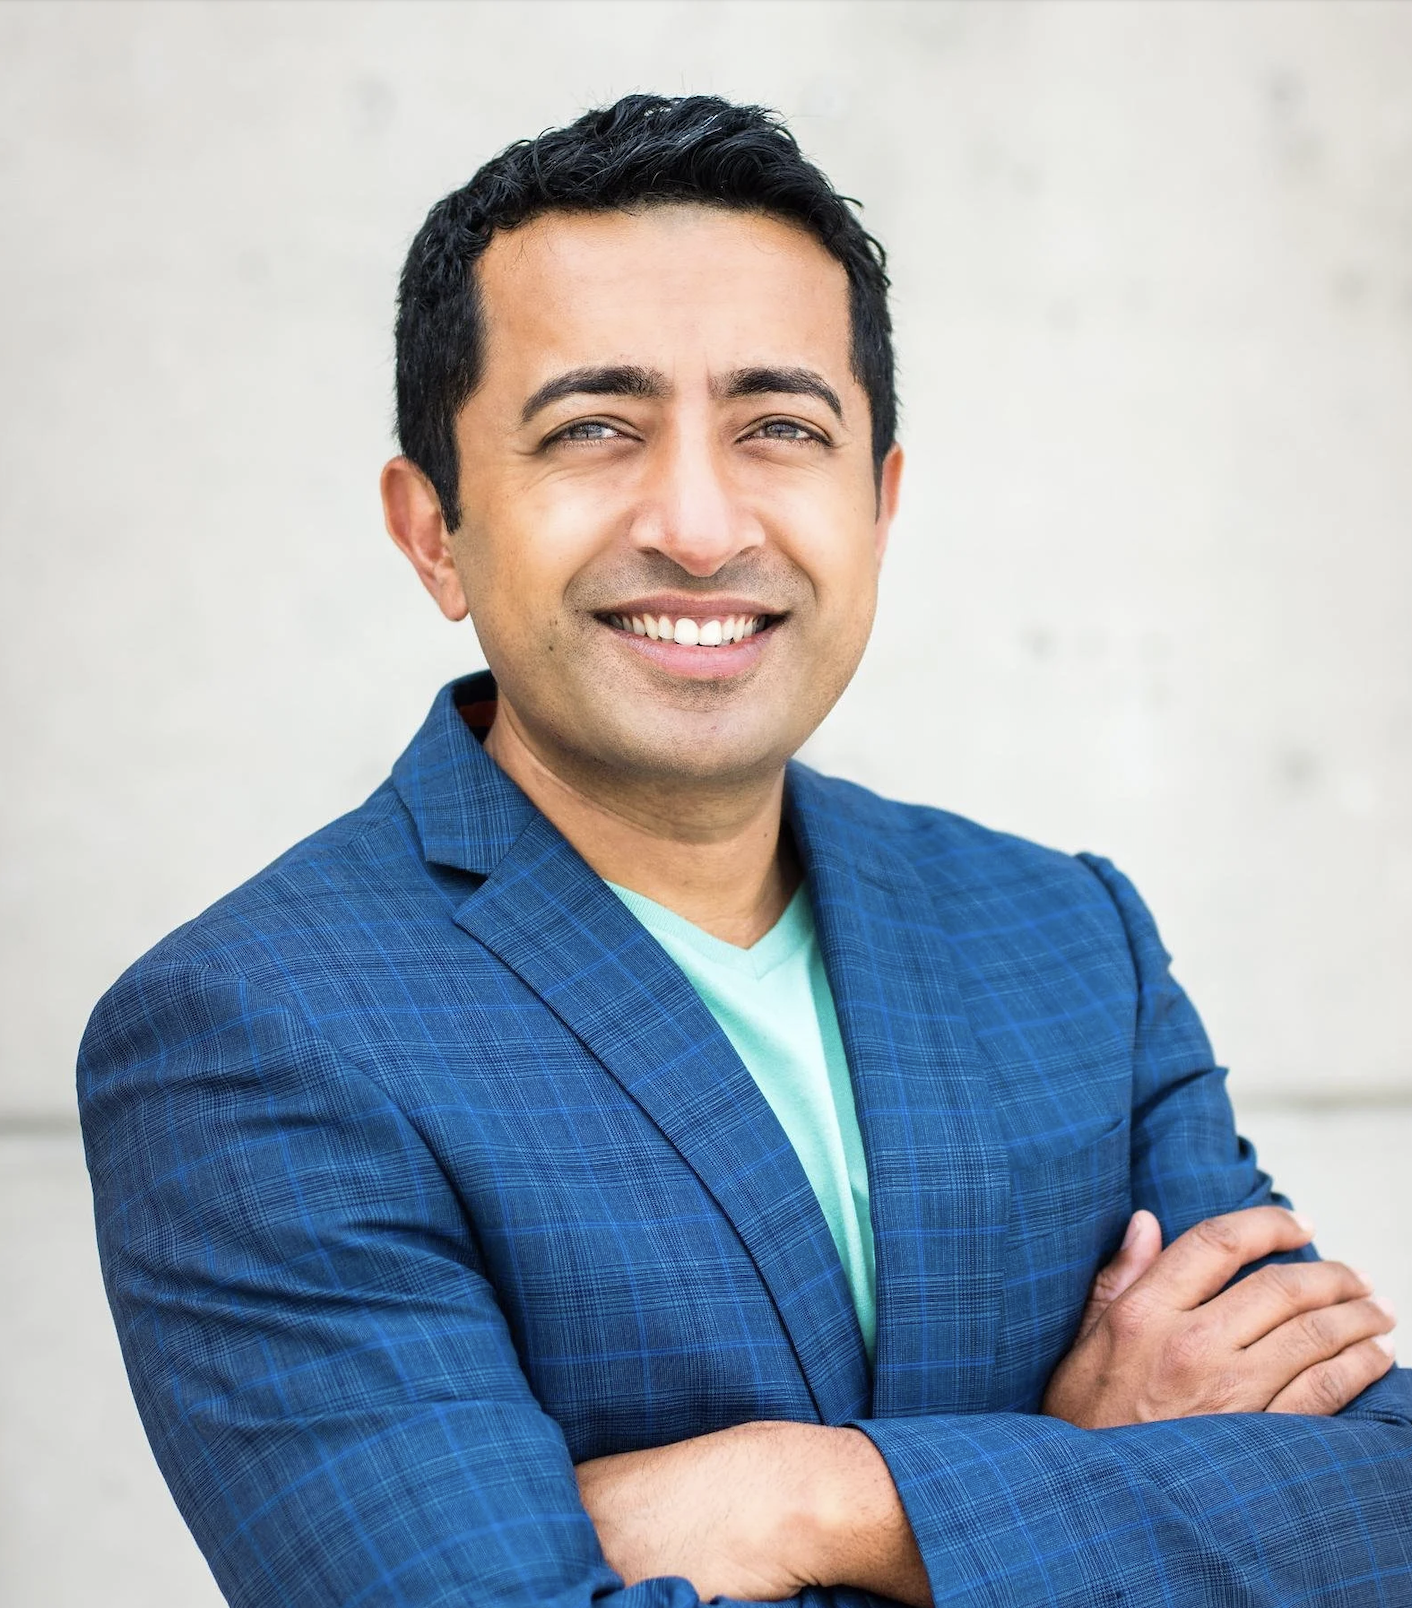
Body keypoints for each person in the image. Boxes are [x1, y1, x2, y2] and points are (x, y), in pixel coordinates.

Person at [79, 94, 1409, 1608]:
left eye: (781, 428)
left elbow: (1382, 1509)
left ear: (881, 503)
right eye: (594, 428)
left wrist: (813, 1501)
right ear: (433, 530)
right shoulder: (251, 1033)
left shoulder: (1065, 939)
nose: (703, 527)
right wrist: (1063, 1491)